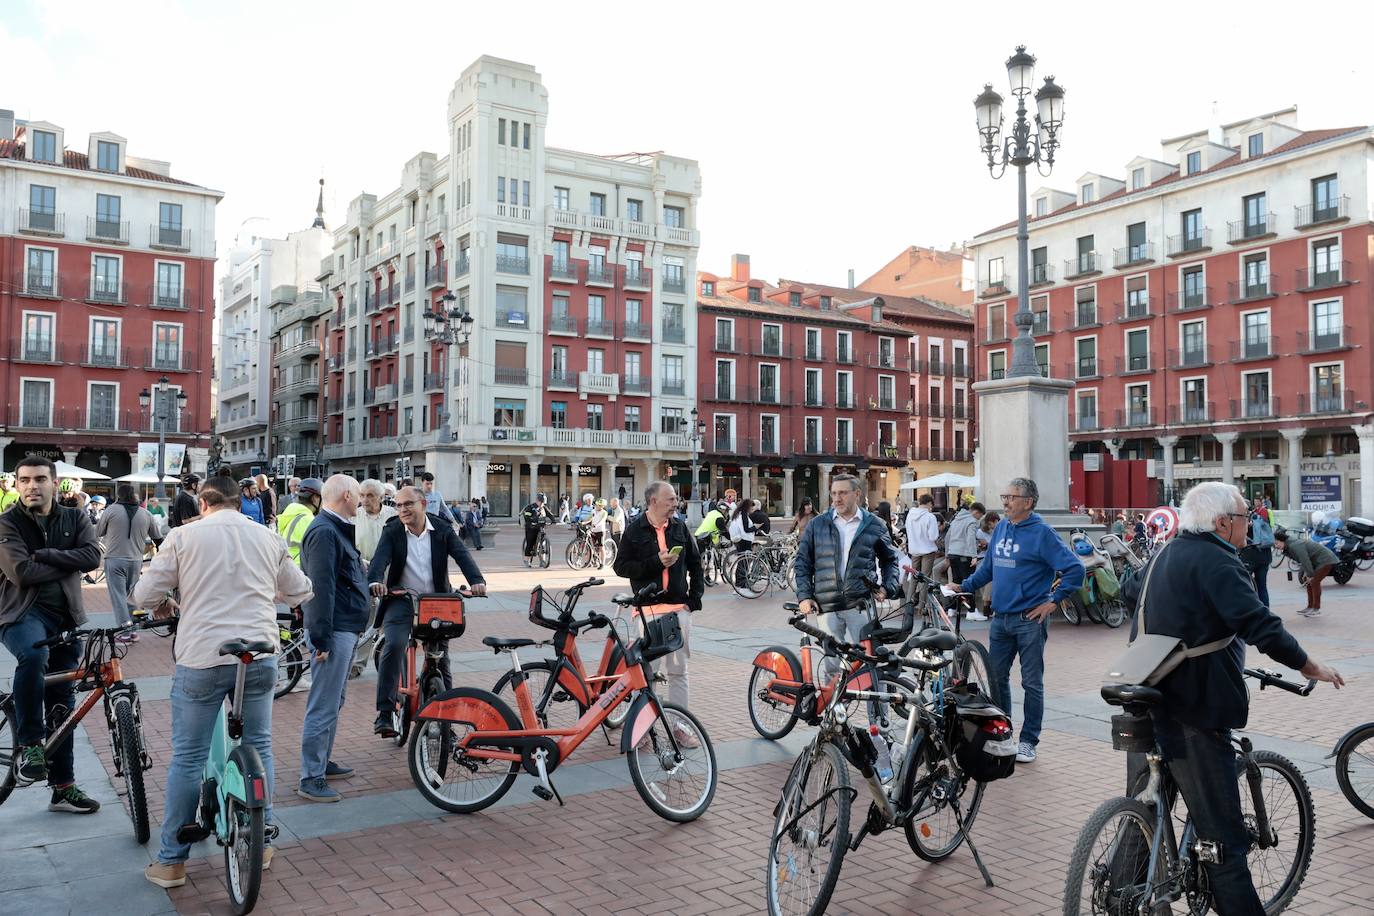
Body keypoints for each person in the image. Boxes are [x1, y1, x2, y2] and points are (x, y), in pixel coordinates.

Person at [1120, 482, 1343, 915]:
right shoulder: (1218, 561)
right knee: (1222, 841)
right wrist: (1306, 663)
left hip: (1143, 693)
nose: (1250, 525)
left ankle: (1120, 896)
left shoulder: (1165, 552)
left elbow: (1131, 593)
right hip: (1193, 708)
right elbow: (1257, 622)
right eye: (1244, 518)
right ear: (1223, 523)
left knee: (1144, 811)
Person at [135, 475, 313, 888]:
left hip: (202, 657)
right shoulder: (266, 537)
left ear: (203, 503)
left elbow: (143, 596)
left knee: (188, 758)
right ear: (239, 502)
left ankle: (172, 861)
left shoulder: (182, 536)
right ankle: (263, 842)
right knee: (260, 745)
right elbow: (299, 590)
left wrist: (165, 600)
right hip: (259, 654)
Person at [954, 478, 1083, 764]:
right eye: (1004, 496)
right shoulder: (1001, 528)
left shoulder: (1043, 534)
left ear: (1029, 502)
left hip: (1029, 621)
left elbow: (1075, 569)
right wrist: (963, 586)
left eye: (1012, 497)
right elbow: (987, 568)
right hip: (1000, 620)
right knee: (997, 679)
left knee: (1031, 683)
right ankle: (1005, 733)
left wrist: (1052, 602)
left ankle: (1029, 741)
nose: (1005, 502)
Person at [0, 456, 102, 813]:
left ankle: (63, 786)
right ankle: (29, 743)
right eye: (24, 479)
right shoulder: (7, 523)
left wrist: (46, 553)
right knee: (32, 656)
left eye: (39, 479)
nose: (31, 486)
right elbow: (22, 573)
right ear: (17, 484)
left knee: (62, 703)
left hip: (66, 617)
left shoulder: (75, 517)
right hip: (22, 614)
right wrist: (67, 557)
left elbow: (92, 557)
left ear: (54, 483)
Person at [368, 485, 487, 736]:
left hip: (436, 600)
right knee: (394, 644)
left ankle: (447, 720)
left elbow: (461, 554)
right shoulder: (392, 530)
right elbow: (380, 561)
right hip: (401, 598)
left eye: (408, 504)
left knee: (441, 660)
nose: (402, 510)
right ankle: (385, 713)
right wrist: (376, 581)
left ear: (423, 504)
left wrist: (477, 580)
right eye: (398, 505)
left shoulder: (441, 528)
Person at [612, 480, 704, 743]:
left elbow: (696, 564)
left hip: (677, 609)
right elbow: (621, 567)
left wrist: (693, 600)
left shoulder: (679, 527)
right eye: (671, 499)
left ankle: (680, 728)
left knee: (678, 671)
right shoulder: (634, 529)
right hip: (648, 610)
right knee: (646, 673)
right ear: (653, 501)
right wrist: (656, 563)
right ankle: (642, 729)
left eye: (675, 499)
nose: (676, 503)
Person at [297, 475, 368, 801]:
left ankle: (322, 763)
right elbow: (320, 589)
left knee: (333, 701)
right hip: (334, 630)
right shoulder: (325, 531)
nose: (362, 499)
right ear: (345, 495)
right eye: (358, 494)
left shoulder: (333, 528)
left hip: (343, 627)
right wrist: (321, 638)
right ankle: (311, 777)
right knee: (324, 704)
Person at [793, 474, 902, 680]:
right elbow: (803, 562)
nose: (837, 498)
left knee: (873, 665)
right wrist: (804, 596)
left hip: (860, 605)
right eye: (834, 493)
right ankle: (835, 712)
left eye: (843, 492)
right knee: (832, 667)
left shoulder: (874, 524)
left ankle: (878, 714)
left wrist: (888, 587)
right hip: (827, 606)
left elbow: (890, 560)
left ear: (857, 494)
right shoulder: (818, 524)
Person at [97, 485, 154, 641]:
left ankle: (125, 631)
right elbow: (158, 537)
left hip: (114, 559)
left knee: (118, 596)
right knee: (131, 596)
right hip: (136, 561)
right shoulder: (146, 514)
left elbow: (98, 532)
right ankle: (133, 629)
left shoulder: (110, 511)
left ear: (118, 496)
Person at [1273, 528, 1338, 617]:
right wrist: (1306, 574)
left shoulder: (1295, 545)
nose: (1276, 546)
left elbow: (1305, 560)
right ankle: (1310, 607)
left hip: (1325, 560)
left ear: (1282, 541)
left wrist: (1310, 575)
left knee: (1314, 581)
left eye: (1277, 543)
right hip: (1317, 562)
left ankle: (1316, 609)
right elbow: (1304, 560)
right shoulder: (1289, 546)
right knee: (1307, 582)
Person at [276, 477, 323, 566]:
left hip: (287, 568)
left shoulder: (290, 515)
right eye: (322, 498)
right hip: (302, 571)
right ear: (315, 498)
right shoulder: (309, 521)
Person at [905, 493, 940, 601]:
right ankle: (922, 606)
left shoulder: (910, 515)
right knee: (925, 578)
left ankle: (909, 604)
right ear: (930, 503)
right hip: (928, 550)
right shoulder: (930, 517)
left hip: (914, 550)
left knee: (914, 578)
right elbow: (933, 536)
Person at [354, 478, 397, 566]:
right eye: (362, 495)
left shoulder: (393, 515)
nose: (365, 500)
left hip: (388, 570)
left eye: (370, 495)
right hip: (361, 569)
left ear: (381, 498)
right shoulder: (353, 516)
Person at [1238, 508, 1275, 608]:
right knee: (1262, 586)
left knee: (1245, 585)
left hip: (1249, 558)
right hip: (1265, 560)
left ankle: (1249, 609)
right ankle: (1265, 610)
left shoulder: (1249, 526)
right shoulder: (1268, 527)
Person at [944, 500, 983, 588]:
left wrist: (947, 554)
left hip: (952, 554)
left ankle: (956, 601)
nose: (978, 520)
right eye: (979, 517)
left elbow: (947, 537)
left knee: (956, 582)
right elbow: (970, 538)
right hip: (964, 555)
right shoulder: (972, 521)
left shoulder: (956, 520)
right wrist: (974, 556)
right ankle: (969, 601)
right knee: (967, 583)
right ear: (976, 512)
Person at [520, 493, 555, 566]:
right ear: (537, 500)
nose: (542, 504)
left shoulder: (544, 508)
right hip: (531, 527)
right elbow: (527, 516)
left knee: (543, 543)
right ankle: (527, 560)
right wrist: (532, 520)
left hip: (540, 527)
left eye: (543, 503)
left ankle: (542, 561)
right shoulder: (530, 507)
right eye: (541, 502)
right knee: (530, 542)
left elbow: (550, 514)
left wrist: (553, 520)